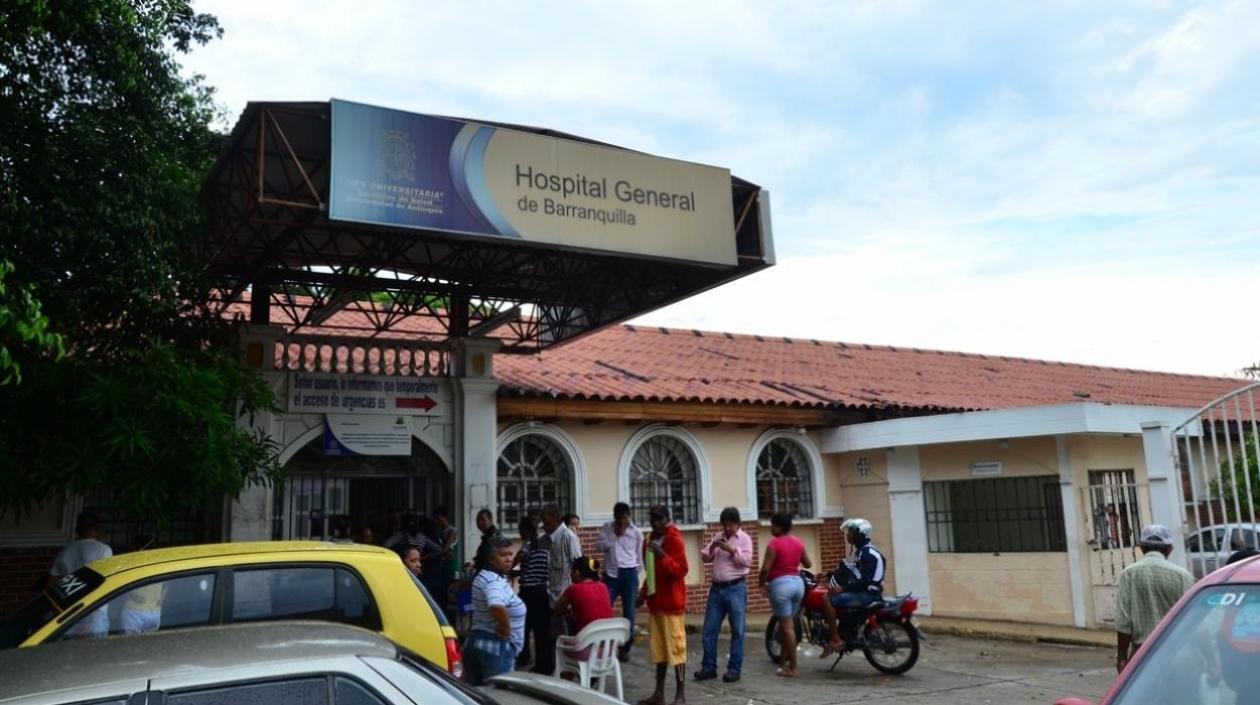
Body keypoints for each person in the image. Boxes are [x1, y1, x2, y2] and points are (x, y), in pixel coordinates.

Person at [1115, 523, 1195, 673]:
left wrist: (1122, 657)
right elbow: (1194, 620)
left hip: (1142, 654)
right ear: (1169, 549)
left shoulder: (1128, 574)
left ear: (1141, 547)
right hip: (1177, 653)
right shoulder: (1183, 576)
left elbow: (1123, 622)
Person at [637, 505, 689, 705]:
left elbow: (681, 570)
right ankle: (658, 694)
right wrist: (643, 594)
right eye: (653, 519)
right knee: (659, 652)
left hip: (672, 605)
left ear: (667, 520)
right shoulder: (649, 540)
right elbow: (651, 573)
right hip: (656, 604)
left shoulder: (674, 540)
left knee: (677, 650)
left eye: (659, 519)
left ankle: (680, 695)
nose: (655, 523)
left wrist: (663, 556)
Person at [695, 506, 752, 683]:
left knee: (737, 631)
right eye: (724, 525)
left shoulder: (744, 539)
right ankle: (708, 667)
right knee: (709, 630)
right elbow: (705, 557)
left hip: (736, 588)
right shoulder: (718, 536)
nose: (727, 529)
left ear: (737, 524)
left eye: (730, 525)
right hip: (717, 590)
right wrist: (713, 546)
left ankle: (734, 670)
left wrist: (732, 550)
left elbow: (746, 562)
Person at [465, 535, 527, 685]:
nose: (509, 559)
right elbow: (496, 605)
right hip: (495, 645)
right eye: (503, 555)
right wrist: (506, 628)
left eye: (510, 554)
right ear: (491, 559)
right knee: (498, 693)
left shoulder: (485, 576)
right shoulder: (493, 581)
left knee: (477, 693)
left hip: (478, 640)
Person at [821, 517, 885, 656]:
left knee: (827, 599)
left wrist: (842, 588)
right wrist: (829, 574)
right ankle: (844, 631)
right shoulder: (864, 550)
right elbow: (854, 572)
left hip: (868, 593)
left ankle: (835, 639)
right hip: (867, 591)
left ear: (858, 534)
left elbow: (864, 581)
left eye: (850, 532)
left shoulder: (867, 553)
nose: (848, 535)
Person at [758, 512, 811, 678]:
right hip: (798, 584)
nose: (771, 528)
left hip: (781, 585)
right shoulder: (798, 542)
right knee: (787, 625)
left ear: (779, 527)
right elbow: (808, 563)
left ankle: (793, 667)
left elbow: (765, 569)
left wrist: (761, 584)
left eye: (772, 525)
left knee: (787, 627)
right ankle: (783, 663)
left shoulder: (774, 544)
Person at [537, 505, 582, 675]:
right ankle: (555, 669)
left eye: (547, 522)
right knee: (551, 638)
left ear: (556, 520)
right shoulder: (546, 540)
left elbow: (578, 566)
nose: (545, 526)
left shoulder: (568, 537)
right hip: (550, 596)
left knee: (564, 638)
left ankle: (567, 671)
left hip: (564, 599)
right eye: (543, 522)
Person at [597, 501, 644, 662]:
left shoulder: (636, 532)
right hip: (611, 574)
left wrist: (635, 574)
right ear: (614, 517)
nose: (622, 522)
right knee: (603, 608)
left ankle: (625, 647)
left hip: (629, 573)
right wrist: (614, 537)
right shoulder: (607, 528)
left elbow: (639, 556)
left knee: (629, 612)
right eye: (619, 519)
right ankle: (603, 643)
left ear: (628, 517)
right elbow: (599, 547)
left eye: (624, 518)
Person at [514, 514, 550, 669]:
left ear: (527, 531)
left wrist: (508, 568)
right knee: (540, 629)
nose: (519, 534)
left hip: (528, 593)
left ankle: (525, 656)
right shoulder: (545, 545)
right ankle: (542, 662)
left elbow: (520, 557)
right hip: (542, 591)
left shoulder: (528, 544)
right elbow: (534, 567)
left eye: (520, 530)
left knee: (522, 625)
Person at [49, 511, 113, 589]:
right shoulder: (103, 550)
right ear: (95, 528)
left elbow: (52, 582)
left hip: (68, 594)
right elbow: (107, 579)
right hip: (93, 594)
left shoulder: (63, 552)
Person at [554, 556, 614, 635]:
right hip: (609, 637)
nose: (570, 574)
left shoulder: (573, 589)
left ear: (577, 572)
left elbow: (557, 609)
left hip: (586, 638)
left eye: (571, 571)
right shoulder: (603, 586)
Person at [473, 509, 503, 574]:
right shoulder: (487, 536)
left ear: (490, 520)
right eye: (478, 520)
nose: (479, 522)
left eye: (482, 519)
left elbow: (490, 557)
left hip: (491, 574)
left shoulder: (494, 537)